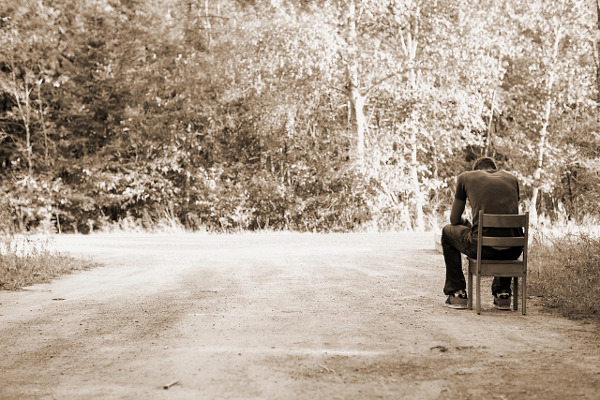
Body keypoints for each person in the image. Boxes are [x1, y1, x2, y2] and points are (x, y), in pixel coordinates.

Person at [441, 157, 523, 310]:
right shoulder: (511, 178)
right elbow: (505, 214)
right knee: (504, 235)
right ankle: (503, 294)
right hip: (513, 249)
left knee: (447, 232)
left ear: (475, 170)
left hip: (482, 249)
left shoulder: (466, 177)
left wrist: (465, 223)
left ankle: (457, 294)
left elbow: (453, 220)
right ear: (494, 169)